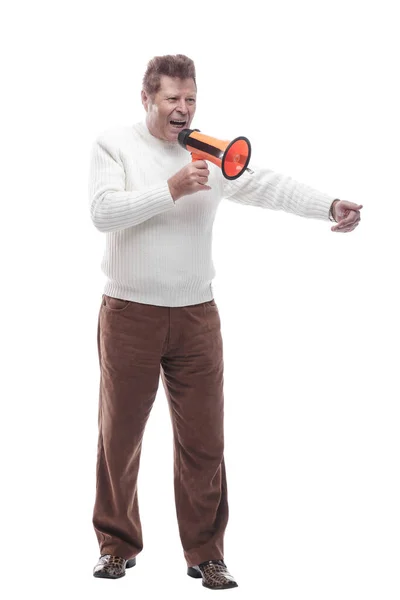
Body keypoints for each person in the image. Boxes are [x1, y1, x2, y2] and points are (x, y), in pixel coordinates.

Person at [88, 54, 363, 590]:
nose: (183, 109)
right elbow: (103, 212)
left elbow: (267, 185)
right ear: (147, 99)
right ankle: (115, 546)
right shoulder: (113, 144)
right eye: (172, 99)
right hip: (129, 315)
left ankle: (206, 554)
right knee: (118, 438)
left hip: (196, 318)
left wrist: (328, 205)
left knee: (205, 442)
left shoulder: (207, 151)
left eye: (190, 98)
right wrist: (169, 189)